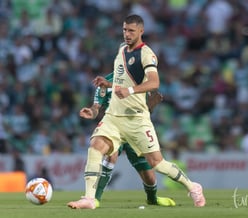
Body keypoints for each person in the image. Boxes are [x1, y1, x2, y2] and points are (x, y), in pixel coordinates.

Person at [67, 14, 205, 209]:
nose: (127, 34)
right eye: (124, 30)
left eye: (131, 30)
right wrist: (107, 87)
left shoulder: (147, 54)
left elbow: (154, 82)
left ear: (141, 31)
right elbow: (123, 79)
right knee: (95, 146)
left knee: (157, 163)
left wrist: (130, 91)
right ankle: (89, 198)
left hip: (136, 119)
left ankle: (193, 187)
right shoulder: (122, 49)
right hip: (113, 117)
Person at [79, 72, 175, 207]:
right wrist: (91, 112)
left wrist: (151, 105)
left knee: (149, 176)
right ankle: (95, 199)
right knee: (110, 157)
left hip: (134, 132)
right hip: (113, 129)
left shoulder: (142, 83)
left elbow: (143, 112)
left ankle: (152, 199)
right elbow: (96, 108)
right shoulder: (105, 82)